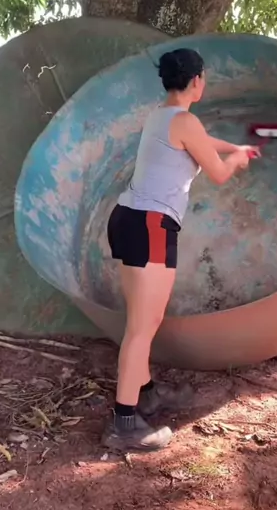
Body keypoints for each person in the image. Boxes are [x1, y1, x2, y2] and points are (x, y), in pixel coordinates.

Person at [102, 48, 259, 453]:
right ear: (196, 80)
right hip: (150, 225)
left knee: (144, 321)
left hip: (129, 218)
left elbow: (200, 141)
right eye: (204, 77)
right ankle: (123, 425)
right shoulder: (184, 121)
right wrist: (236, 159)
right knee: (142, 327)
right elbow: (219, 173)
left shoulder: (163, 115)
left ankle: (146, 395)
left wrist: (233, 146)